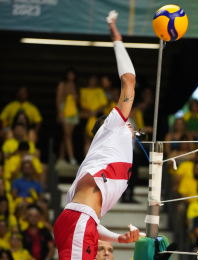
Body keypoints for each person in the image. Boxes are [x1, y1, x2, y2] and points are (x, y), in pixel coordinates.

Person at [53, 11, 142, 260]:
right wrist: (117, 40)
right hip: (79, 221)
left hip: (82, 221)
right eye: (127, 122)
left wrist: (116, 238)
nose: (130, 124)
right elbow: (129, 81)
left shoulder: (116, 165)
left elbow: (90, 216)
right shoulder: (110, 128)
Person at [56, 68, 79, 165]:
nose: (70, 76)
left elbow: (79, 101)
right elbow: (58, 99)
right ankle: (71, 157)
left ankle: (61, 158)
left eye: (72, 74)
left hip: (73, 111)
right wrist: (59, 113)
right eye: (69, 74)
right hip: (64, 110)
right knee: (67, 135)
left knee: (67, 136)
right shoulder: (62, 84)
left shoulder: (75, 86)